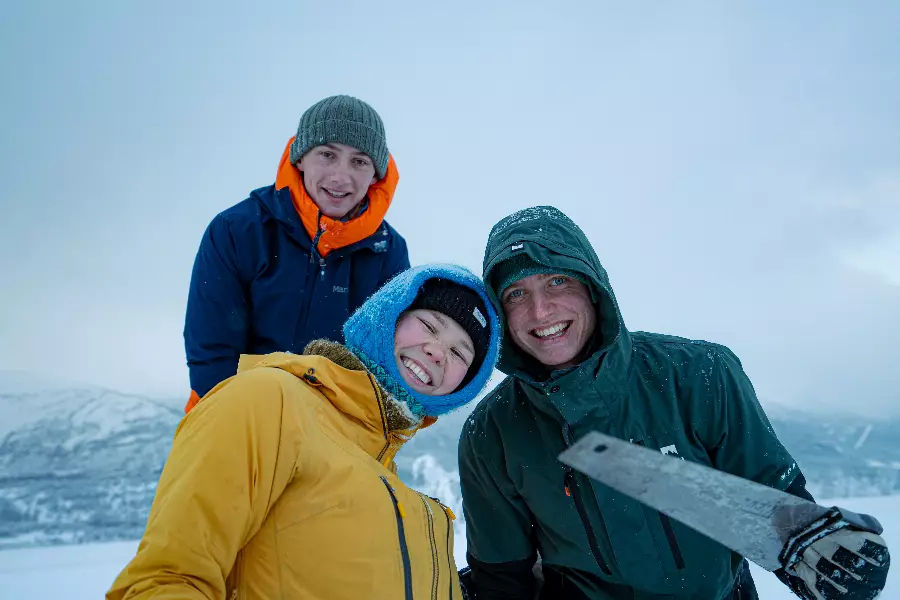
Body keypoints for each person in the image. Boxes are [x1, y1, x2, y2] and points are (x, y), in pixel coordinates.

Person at [458, 206, 890, 600]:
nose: (540, 311)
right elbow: (502, 578)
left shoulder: (698, 375)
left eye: (557, 281)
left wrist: (822, 553)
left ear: (592, 288)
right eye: (516, 294)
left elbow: (774, 509)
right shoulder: (492, 432)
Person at [107, 263, 500, 600]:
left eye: (459, 353)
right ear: (388, 315)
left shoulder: (389, 480)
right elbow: (168, 579)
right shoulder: (270, 401)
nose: (437, 352)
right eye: (429, 325)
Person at [182, 94, 410, 412]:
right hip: (230, 410)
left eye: (359, 161)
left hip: (331, 425)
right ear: (300, 158)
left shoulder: (387, 252)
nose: (340, 177)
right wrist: (250, 423)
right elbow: (212, 352)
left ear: (375, 175)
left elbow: (384, 367)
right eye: (327, 155)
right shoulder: (237, 230)